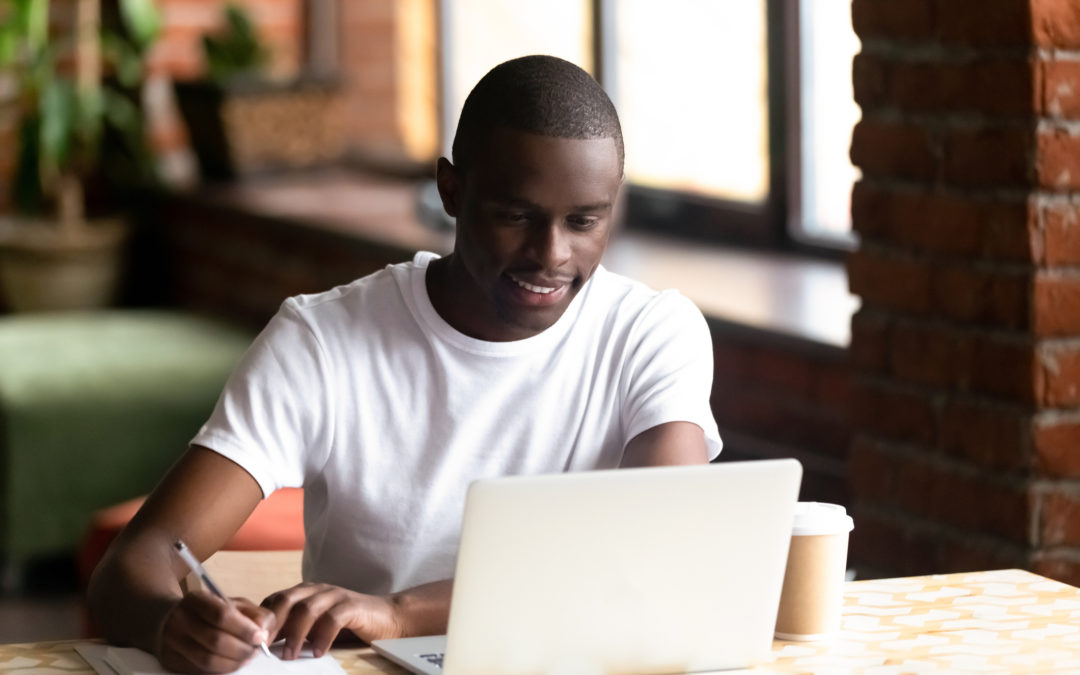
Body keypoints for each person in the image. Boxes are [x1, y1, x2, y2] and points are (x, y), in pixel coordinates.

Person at [88, 54, 722, 673]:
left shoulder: (651, 333)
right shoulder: (323, 342)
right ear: (450, 189)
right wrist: (171, 625)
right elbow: (134, 566)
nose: (550, 255)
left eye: (584, 221)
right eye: (515, 216)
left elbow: (661, 553)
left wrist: (398, 613)